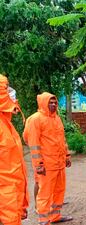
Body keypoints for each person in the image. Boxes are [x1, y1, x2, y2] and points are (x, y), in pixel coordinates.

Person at [24, 92, 73, 224]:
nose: (53, 105)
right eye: (50, 102)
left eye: (55, 102)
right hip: (47, 165)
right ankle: (44, 220)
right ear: (43, 103)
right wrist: (38, 164)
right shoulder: (35, 119)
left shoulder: (57, 118)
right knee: (45, 194)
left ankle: (55, 217)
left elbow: (62, 139)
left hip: (59, 163)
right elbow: (33, 144)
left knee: (59, 191)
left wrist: (67, 155)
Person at [0, 74, 29, 225]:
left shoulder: (6, 125)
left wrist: (22, 203)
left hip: (12, 198)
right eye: (6, 88)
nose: (11, 92)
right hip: (5, 200)